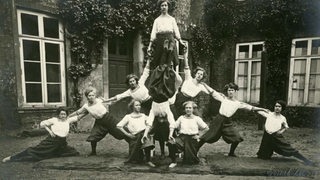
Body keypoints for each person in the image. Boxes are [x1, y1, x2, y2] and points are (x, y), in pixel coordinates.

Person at [200, 82, 267, 157]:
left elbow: (251, 108)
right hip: (218, 120)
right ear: (227, 91)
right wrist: (204, 85)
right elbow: (212, 92)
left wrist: (263, 109)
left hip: (227, 122)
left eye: (232, 90)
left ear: (235, 91)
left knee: (237, 137)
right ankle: (193, 151)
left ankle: (231, 153)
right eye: (229, 90)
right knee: (207, 136)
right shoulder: (223, 98)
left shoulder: (238, 103)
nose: (230, 92)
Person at [2, 107, 79, 162]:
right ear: (58, 114)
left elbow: (79, 116)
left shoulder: (68, 120)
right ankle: (11, 158)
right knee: (34, 151)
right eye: (61, 114)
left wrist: (88, 108)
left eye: (64, 114)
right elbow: (42, 124)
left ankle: (53, 153)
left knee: (73, 152)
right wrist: (50, 132)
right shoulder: (54, 120)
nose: (63, 116)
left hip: (62, 143)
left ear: (66, 115)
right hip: (52, 141)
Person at [68, 87, 128, 156]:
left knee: (121, 132)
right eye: (89, 96)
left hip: (109, 119)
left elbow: (110, 102)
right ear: (87, 97)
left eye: (92, 95)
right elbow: (78, 112)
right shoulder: (86, 106)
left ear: (95, 96)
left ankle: (132, 146)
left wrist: (112, 100)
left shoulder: (99, 100)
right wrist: (69, 116)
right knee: (93, 136)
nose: (91, 97)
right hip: (100, 123)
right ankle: (93, 152)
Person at [147, 0, 186, 103]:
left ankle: (169, 85)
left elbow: (176, 32)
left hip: (170, 40)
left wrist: (180, 41)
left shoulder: (172, 19)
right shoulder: (157, 20)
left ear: (168, 7)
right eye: (162, 5)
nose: (164, 7)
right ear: (160, 7)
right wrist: (150, 45)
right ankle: (160, 88)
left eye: (165, 5)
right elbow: (153, 34)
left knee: (169, 64)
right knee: (160, 65)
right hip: (160, 41)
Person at [256, 100, 316, 166]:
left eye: (279, 106)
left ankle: (307, 161)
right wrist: (262, 109)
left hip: (276, 137)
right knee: (263, 156)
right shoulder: (269, 114)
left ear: (282, 108)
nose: (277, 108)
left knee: (290, 150)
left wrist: (281, 132)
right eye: (276, 106)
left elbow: (286, 127)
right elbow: (255, 110)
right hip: (267, 137)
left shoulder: (282, 118)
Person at [167, 101, 209, 168]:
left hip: (192, 139)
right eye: (186, 108)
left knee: (190, 162)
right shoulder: (181, 118)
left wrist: (199, 136)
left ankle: (191, 158)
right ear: (184, 109)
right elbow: (173, 125)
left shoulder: (197, 119)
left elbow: (206, 128)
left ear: (193, 109)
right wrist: (170, 134)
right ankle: (173, 161)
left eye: (190, 108)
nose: (188, 109)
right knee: (171, 143)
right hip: (182, 138)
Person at [117, 100, 156, 167]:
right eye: (136, 105)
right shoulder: (128, 117)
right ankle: (137, 157)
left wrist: (148, 129)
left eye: (139, 105)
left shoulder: (143, 115)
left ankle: (148, 160)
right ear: (132, 107)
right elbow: (119, 126)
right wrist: (127, 134)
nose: (139, 107)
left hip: (144, 134)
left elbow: (150, 122)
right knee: (137, 160)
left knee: (146, 140)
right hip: (135, 137)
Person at [173, 48, 210, 118]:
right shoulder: (189, 78)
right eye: (198, 73)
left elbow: (210, 92)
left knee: (197, 115)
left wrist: (219, 94)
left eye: (201, 74)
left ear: (202, 77)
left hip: (188, 100)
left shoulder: (201, 86)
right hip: (180, 97)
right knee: (178, 116)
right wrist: (184, 55)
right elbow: (186, 66)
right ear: (195, 74)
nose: (199, 75)